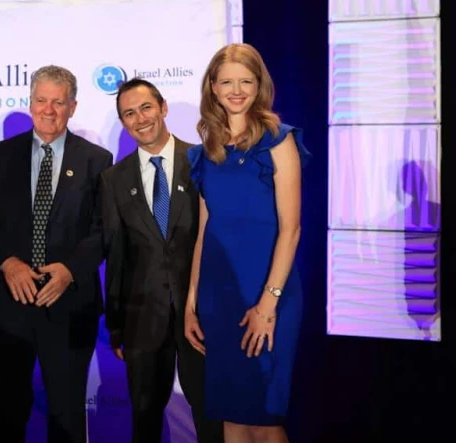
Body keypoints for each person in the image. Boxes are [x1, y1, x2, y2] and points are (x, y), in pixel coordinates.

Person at [0, 66, 112, 443]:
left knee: (67, 414)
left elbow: (104, 228)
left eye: (58, 102)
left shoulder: (97, 159)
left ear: (73, 107)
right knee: (7, 412)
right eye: (41, 100)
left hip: (70, 303)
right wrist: (8, 263)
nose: (48, 110)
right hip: (12, 303)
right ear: (30, 102)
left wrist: (70, 270)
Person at [184, 43, 309, 443]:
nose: (236, 91)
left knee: (263, 419)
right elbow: (206, 230)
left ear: (259, 85)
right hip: (218, 297)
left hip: (268, 292)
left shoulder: (278, 141)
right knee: (231, 417)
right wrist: (191, 301)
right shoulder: (206, 151)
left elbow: (291, 229)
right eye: (227, 82)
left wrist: (268, 304)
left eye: (245, 81)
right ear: (213, 87)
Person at [101, 78, 223, 443]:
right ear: (123, 122)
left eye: (146, 108)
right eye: (129, 113)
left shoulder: (202, 161)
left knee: (211, 418)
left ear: (163, 107)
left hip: (201, 316)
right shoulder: (113, 179)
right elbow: (116, 256)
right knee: (145, 422)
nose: (140, 119)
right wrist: (116, 326)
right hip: (142, 321)